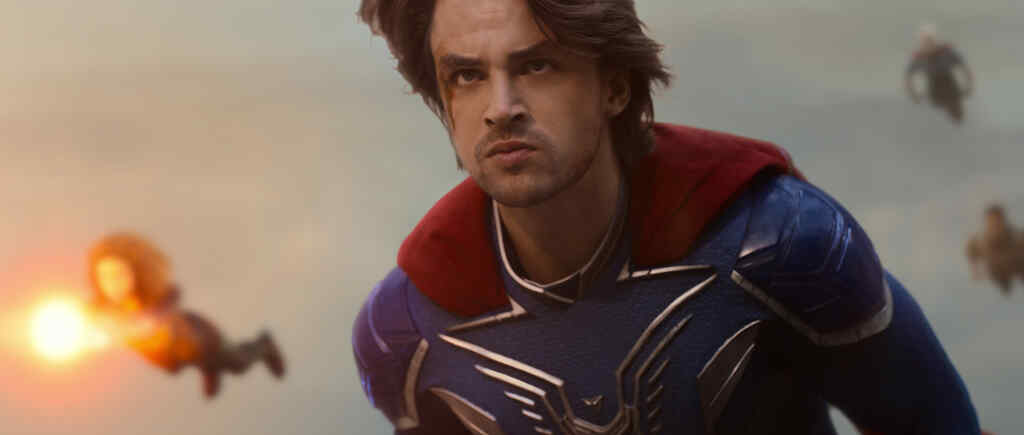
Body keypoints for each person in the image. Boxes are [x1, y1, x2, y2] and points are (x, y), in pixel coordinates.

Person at [352, 1, 981, 433]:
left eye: (537, 65)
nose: (501, 107)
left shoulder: (780, 245)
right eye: (466, 76)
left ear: (615, 85)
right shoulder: (405, 331)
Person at [88, 232, 285, 398]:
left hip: (201, 337)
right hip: (175, 355)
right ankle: (207, 366)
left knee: (238, 364)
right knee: (185, 358)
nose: (112, 283)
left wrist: (145, 324)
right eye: (103, 276)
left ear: (137, 272)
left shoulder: (155, 298)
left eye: (119, 274)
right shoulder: (102, 309)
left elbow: (169, 303)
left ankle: (265, 344)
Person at [905, 24, 974, 124]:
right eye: (925, 42)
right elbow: (908, 76)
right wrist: (913, 93)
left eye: (931, 40)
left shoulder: (947, 52)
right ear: (922, 43)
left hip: (950, 85)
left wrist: (969, 85)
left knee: (955, 114)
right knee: (939, 113)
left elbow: (964, 67)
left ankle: (958, 121)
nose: (929, 44)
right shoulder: (919, 57)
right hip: (934, 88)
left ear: (935, 40)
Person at [966, 204, 1024, 296]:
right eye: (992, 221)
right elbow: (971, 252)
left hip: (1015, 266)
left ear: (1003, 220)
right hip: (996, 271)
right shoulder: (980, 241)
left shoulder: (1017, 236)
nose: (995, 224)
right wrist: (975, 271)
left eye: (998, 220)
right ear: (987, 222)